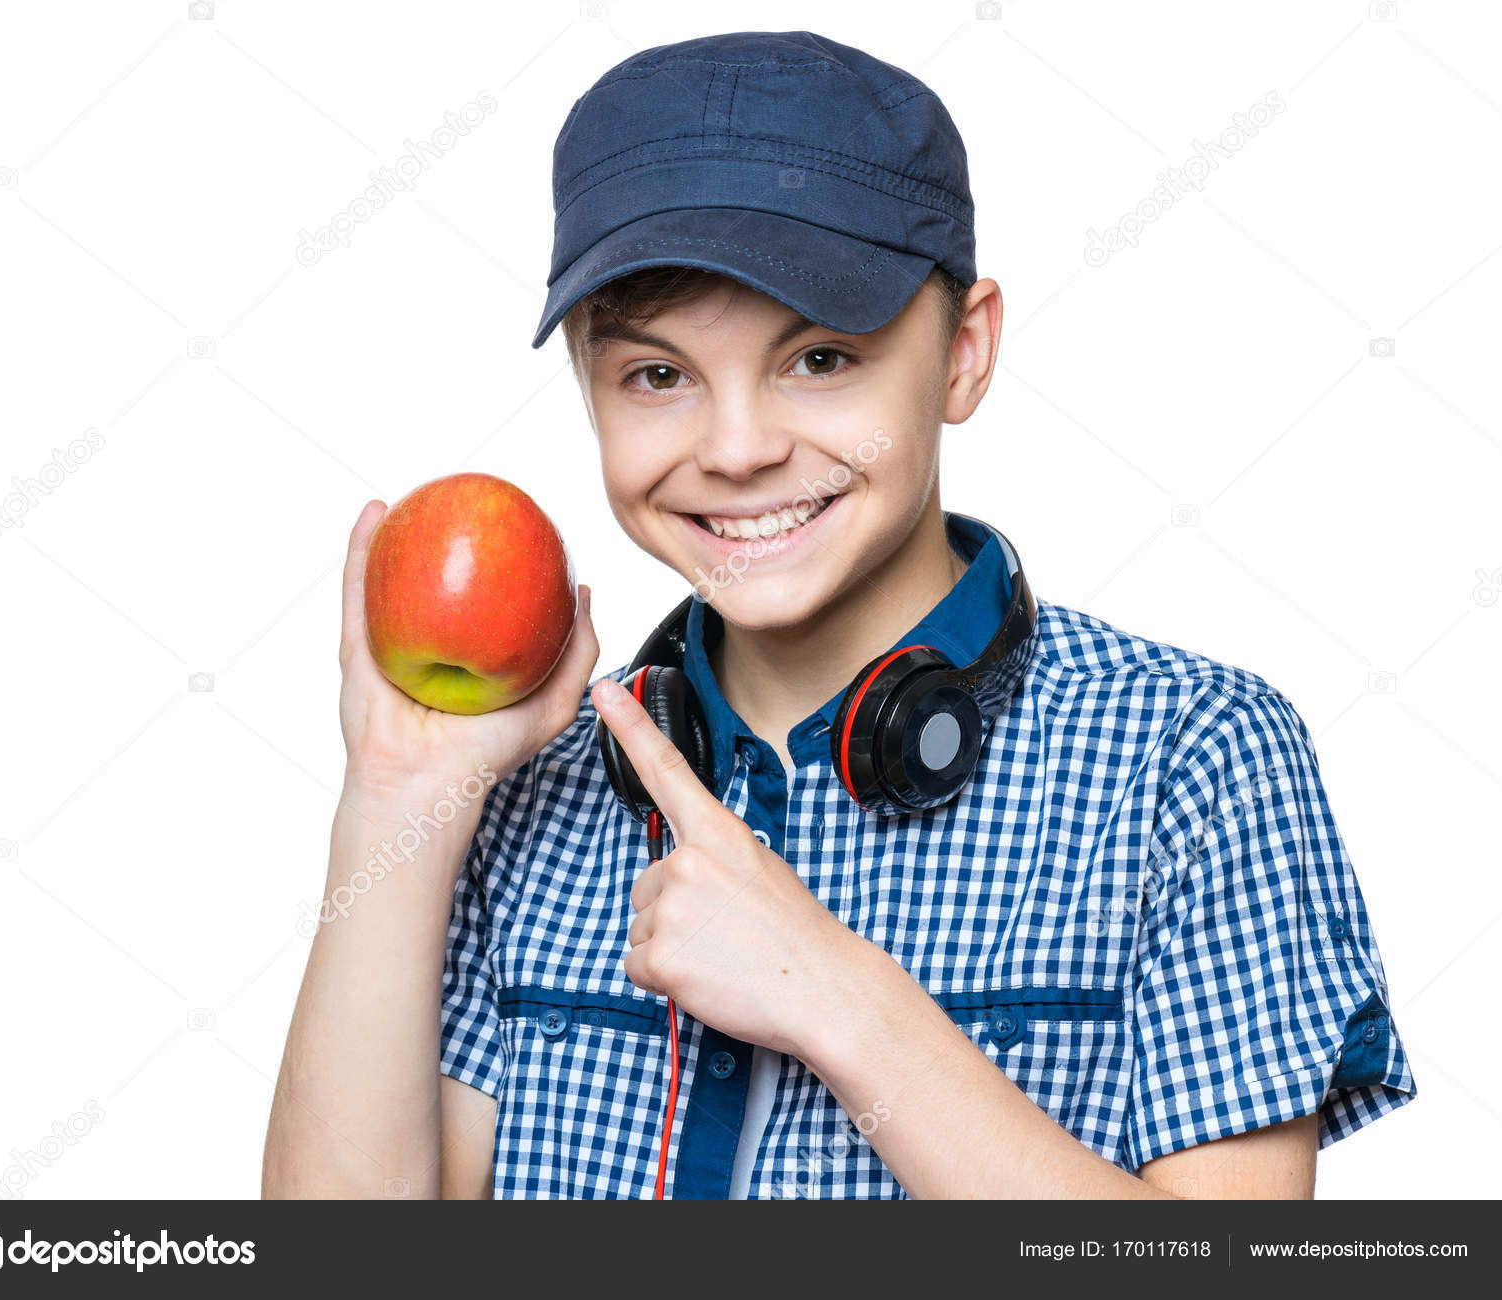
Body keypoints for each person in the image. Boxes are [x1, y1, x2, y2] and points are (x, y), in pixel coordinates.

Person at [263, 29, 1413, 1200]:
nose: (738, 449)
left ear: (963, 354)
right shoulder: (523, 782)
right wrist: (402, 798)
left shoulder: (1190, 757)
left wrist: (843, 1004)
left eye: (819, 358)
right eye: (657, 375)